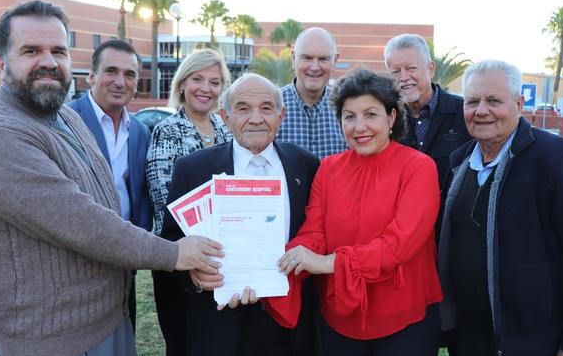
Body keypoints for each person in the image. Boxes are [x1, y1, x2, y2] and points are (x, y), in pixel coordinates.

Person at [0, 0, 222, 356]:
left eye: (58, 50)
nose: (49, 62)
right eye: (31, 51)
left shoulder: (61, 116)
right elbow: (81, 221)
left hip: (107, 319)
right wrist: (174, 253)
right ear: (2, 64)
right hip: (53, 339)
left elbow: (108, 200)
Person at [437, 60, 563, 356]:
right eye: (472, 101)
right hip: (467, 339)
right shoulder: (459, 163)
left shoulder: (558, 161)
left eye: (494, 100)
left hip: (532, 343)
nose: (481, 111)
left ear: (519, 104)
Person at [267, 68, 443, 356]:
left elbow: (398, 246)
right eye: (349, 117)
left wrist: (328, 264)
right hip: (339, 317)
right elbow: (315, 232)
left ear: (392, 117)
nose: (359, 126)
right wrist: (288, 257)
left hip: (404, 319)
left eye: (370, 114)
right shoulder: (328, 168)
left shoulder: (419, 167)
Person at [159, 73, 320, 356]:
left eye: (267, 108)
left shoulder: (305, 166)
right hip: (219, 321)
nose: (256, 118)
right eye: (243, 108)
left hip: (289, 324)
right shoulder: (192, 170)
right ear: (225, 116)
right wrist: (195, 277)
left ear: (281, 115)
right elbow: (171, 243)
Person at [146, 48, 233, 355]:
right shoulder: (166, 130)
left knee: (215, 338)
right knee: (183, 341)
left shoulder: (226, 129)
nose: (206, 89)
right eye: (198, 79)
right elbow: (163, 198)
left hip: (222, 255)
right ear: (182, 83)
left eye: (214, 81)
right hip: (178, 255)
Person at [66, 39, 150, 332]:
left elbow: (139, 192)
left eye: (129, 74)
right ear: (91, 76)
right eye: (111, 71)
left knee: (124, 330)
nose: (120, 81)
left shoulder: (139, 131)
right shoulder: (64, 121)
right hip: (77, 258)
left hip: (124, 258)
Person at [384, 34, 470, 184]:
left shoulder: (464, 112)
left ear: (430, 69)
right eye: (396, 71)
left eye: (411, 68)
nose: (403, 77)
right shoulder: (386, 119)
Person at [277, 27, 347, 159]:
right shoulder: (271, 106)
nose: (315, 67)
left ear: (335, 61)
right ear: (293, 58)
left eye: (323, 59)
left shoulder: (347, 108)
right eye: (307, 58)